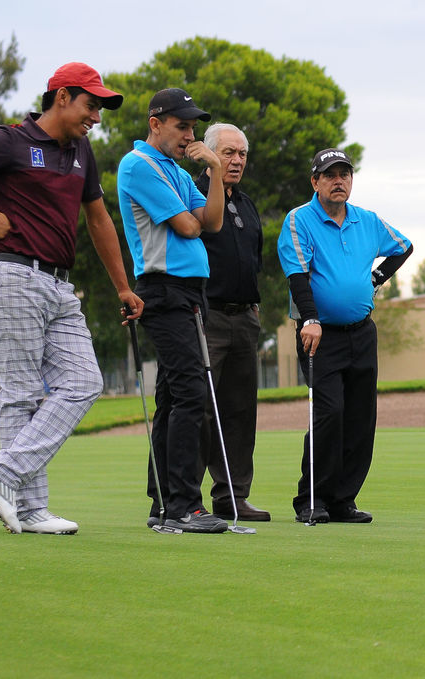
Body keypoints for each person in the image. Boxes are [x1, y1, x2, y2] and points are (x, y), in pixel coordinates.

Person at [0, 62, 143, 534]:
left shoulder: (82, 151)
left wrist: (123, 286)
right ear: (63, 96)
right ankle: (29, 511)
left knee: (85, 381)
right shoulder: (9, 140)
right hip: (13, 275)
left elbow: (98, 220)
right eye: (91, 105)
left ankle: (4, 472)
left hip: (58, 285)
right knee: (22, 394)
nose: (96, 116)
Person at [277, 148, 413, 524]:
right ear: (315, 182)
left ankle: (342, 500)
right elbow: (298, 276)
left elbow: (403, 247)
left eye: (345, 175)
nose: (339, 181)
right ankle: (311, 499)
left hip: (362, 334)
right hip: (319, 335)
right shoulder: (299, 220)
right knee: (329, 412)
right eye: (330, 175)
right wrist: (310, 319)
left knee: (359, 417)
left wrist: (375, 279)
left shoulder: (366, 220)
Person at [116, 88, 228, 533]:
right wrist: (196, 215)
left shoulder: (177, 172)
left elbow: (213, 222)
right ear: (155, 123)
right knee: (189, 393)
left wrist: (215, 170)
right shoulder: (138, 164)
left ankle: (162, 502)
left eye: (193, 127)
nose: (189, 135)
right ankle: (183, 504)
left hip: (189, 292)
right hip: (162, 291)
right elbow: (188, 226)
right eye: (181, 126)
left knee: (172, 397)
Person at [193, 122, 269, 521]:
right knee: (200, 410)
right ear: (208, 154)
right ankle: (187, 498)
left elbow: (253, 259)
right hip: (207, 316)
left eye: (241, 154)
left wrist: (255, 308)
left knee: (241, 411)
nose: (236, 160)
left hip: (245, 319)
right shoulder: (192, 192)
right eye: (228, 153)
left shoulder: (246, 201)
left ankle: (232, 496)